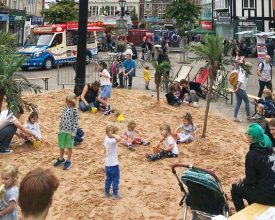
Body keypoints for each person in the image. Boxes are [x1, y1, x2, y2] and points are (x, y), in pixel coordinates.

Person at [231, 123, 275, 211]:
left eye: (247, 134)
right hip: (271, 186)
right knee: (253, 187)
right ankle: (252, 204)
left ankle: (242, 213)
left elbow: (250, 182)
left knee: (235, 188)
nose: (246, 135)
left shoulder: (251, 154)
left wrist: (243, 179)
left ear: (252, 137)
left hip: (269, 197)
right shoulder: (270, 148)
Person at [54, 93, 79, 170]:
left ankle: (68, 160)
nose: (67, 103)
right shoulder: (65, 108)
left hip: (70, 132)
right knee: (61, 145)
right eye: (67, 101)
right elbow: (62, 119)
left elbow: (75, 122)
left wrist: (74, 132)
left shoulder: (74, 110)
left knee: (69, 146)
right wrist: (60, 129)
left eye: (69, 102)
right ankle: (61, 159)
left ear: (73, 102)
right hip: (62, 130)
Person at [104, 124, 122, 199]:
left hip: (107, 164)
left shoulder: (106, 139)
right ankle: (115, 193)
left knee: (108, 178)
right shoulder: (112, 140)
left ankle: (106, 192)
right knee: (115, 179)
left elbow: (104, 149)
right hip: (114, 164)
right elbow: (119, 138)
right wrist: (113, 134)